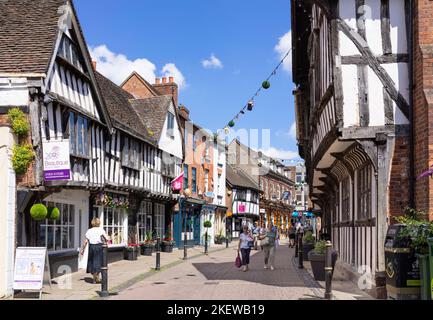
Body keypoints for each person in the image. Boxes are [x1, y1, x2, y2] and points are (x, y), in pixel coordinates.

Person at [80, 217, 108, 284]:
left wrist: (82, 249)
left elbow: (86, 241)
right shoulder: (101, 230)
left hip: (92, 247)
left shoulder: (89, 231)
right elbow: (107, 238)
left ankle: (94, 278)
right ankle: (96, 277)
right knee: (99, 262)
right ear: (99, 223)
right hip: (99, 247)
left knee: (92, 262)